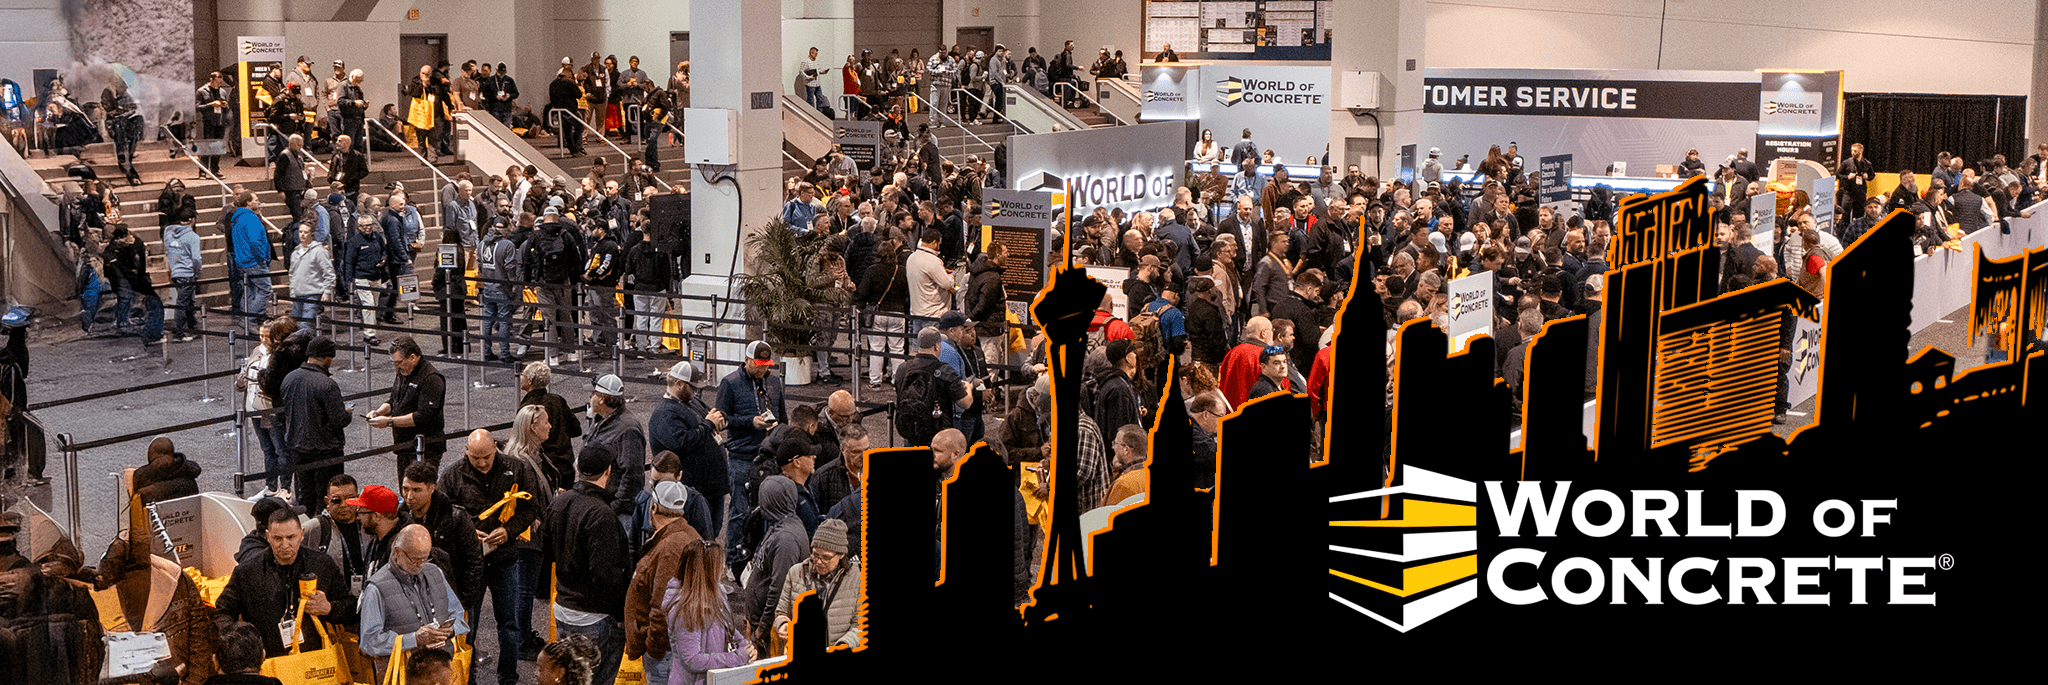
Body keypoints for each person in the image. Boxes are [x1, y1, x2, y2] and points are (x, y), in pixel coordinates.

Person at [439, 428, 549, 685]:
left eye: (486, 457)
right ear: (466, 451)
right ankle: (468, 679)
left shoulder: (516, 468)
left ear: (496, 447)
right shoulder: (452, 475)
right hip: (470, 563)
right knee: (468, 626)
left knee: (509, 625)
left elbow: (530, 507)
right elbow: (443, 515)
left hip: (505, 558)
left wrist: (509, 531)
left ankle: (508, 678)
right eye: (475, 458)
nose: (481, 463)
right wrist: (466, 531)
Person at [214, 506, 358, 659]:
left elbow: (350, 608)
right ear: (268, 536)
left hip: (312, 659)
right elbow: (223, 611)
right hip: (266, 659)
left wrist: (329, 608)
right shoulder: (247, 571)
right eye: (278, 538)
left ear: (301, 534)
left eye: (291, 537)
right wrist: (240, 643)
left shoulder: (322, 564)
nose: (285, 545)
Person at [542, 446, 632, 685]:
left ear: (578, 468)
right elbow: (606, 574)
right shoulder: (601, 514)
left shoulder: (560, 502)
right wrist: (620, 614)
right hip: (594, 615)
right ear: (608, 471)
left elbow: (547, 551)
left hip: (564, 607)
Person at [359, 525, 470, 680]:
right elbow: (369, 642)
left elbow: (458, 614)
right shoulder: (376, 588)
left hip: (440, 670)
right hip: (402, 675)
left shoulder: (435, 572)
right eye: (415, 559)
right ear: (397, 552)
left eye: (425, 558)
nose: (420, 565)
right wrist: (414, 639)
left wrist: (450, 630)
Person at [622, 481, 705, 685]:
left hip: (665, 655)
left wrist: (654, 649)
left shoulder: (670, 549)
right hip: (674, 648)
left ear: (654, 508)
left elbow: (661, 607)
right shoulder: (687, 536)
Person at [716, 340, 788, 554]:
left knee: (769, 508)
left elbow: (782, 416)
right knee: (740, 510)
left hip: (769, 456)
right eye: (758, 365)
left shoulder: (773, 382)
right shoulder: (730, 383)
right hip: (742, 456)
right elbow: (721, 419)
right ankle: (732, 558)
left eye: (766, 365)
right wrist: (750, 421)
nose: (763, 369)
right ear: (747, 360)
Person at [649, 361, 730, 543]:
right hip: (693, 490)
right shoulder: (664, 414)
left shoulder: (691, 401)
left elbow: (710, 415)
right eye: (692, 387)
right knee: (697, 538)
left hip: (711, 487)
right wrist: (708, 424)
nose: (695, 392)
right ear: (679, 384)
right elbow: (681, 443)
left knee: (711, 534)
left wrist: (719, 418)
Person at [660, 539, 755, 685]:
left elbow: (729, 629)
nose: (723, 567)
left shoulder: (718, 594)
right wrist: (737, 658)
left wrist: (746, 648)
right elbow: (692, 659)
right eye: (719, 563)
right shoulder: (685, 609)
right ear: (706, 570)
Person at [279, 337, 350, 513]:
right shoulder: (327, 384)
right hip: (326, 451)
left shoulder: (289, 378)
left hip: (298, 448)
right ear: (326, 358)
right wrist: (347, 413)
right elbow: (339, 420)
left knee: (304, 496)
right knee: (326, 497)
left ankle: (308, 526)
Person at [771, 517, 862, 650]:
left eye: (826, 557)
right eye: (815, 555)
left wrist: (843, 645)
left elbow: (860, 625)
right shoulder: (796, 573)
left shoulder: (856, 579)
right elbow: (781, 612)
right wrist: (782, 623)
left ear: (841, 555)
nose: (819, 562)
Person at [368, 335, 447, 480]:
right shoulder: (403, 372)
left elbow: (423, 416)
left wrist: (389, 422)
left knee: (419, 487)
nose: (396, 366)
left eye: (399, 362)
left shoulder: (432, 378)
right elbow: (394, 401)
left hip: (425, 447)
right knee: (405, 487)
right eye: (393, 362)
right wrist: (379, 412)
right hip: (403, 445)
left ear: (412, 357)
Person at [894, 327, 974, 447]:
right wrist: (968, 388)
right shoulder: (945, 370)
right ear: (937, 346)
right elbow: (965, 403)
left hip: (910, 431)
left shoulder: (903, 368)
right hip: (937, 434)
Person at [518, 361, 584, 489]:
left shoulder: (527, 409)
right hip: (566, 466)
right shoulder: (558, 400)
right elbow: (576, 429)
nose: (521, 377)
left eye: (523, 374)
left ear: (530, 380)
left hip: (543, 470)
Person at [585, 374, 648, 509]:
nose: (591, 398)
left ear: (602, 398)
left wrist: (615, 506)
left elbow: (633, 476)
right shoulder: (601, 419)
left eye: (593, 394)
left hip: (613, 507)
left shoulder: (628, 429)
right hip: (597, 501)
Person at [226, 191, 275, 335]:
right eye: (256, 200)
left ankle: (247, 317)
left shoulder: (238, 218)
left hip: (243, 261)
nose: (258, 202)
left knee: (250, 292)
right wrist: (262, 257)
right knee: (265, 290)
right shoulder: (250, 218)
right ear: (248, 202)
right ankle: (249, 319)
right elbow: (255, 241)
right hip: (254, 261)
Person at [196, 71, 233, 174]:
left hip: (220, 122)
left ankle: (215, 170)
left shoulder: (222, 92)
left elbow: (226, 108)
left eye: (220, 82)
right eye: (217, 82)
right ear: (211, 80)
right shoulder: (202, 91)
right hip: (208, 122)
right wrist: (211, 104)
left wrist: (225, 105)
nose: (219, 84)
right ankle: (203, 171)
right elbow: (197, 107)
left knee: (218, 147)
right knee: (207, 146)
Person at [550, 65, 585, 155]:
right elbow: (579, 94)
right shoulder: (569, 83)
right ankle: (574, 146)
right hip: (570, 110)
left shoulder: (553, 84)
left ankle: (572, 149)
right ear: (569, 74)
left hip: (558, 110)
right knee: (579, 126)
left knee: (567, 131)